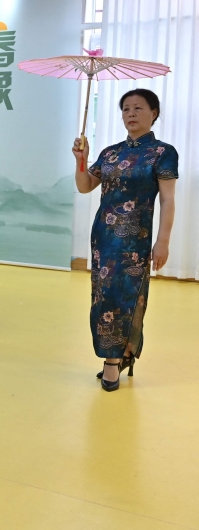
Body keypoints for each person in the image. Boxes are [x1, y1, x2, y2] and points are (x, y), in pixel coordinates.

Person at [73, 88, 177, 392]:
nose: (130, 114)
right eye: (126, 109)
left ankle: (113, 360)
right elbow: (84, 186)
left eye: (138, 108)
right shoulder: (110, 152)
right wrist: (82, 159)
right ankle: (120, 353)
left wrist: (163, 242)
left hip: (136, 240)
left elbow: (168, 201)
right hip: (104, 237)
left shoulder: (162, 152)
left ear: (154, 113)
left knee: (126, 295)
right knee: (102, 296)